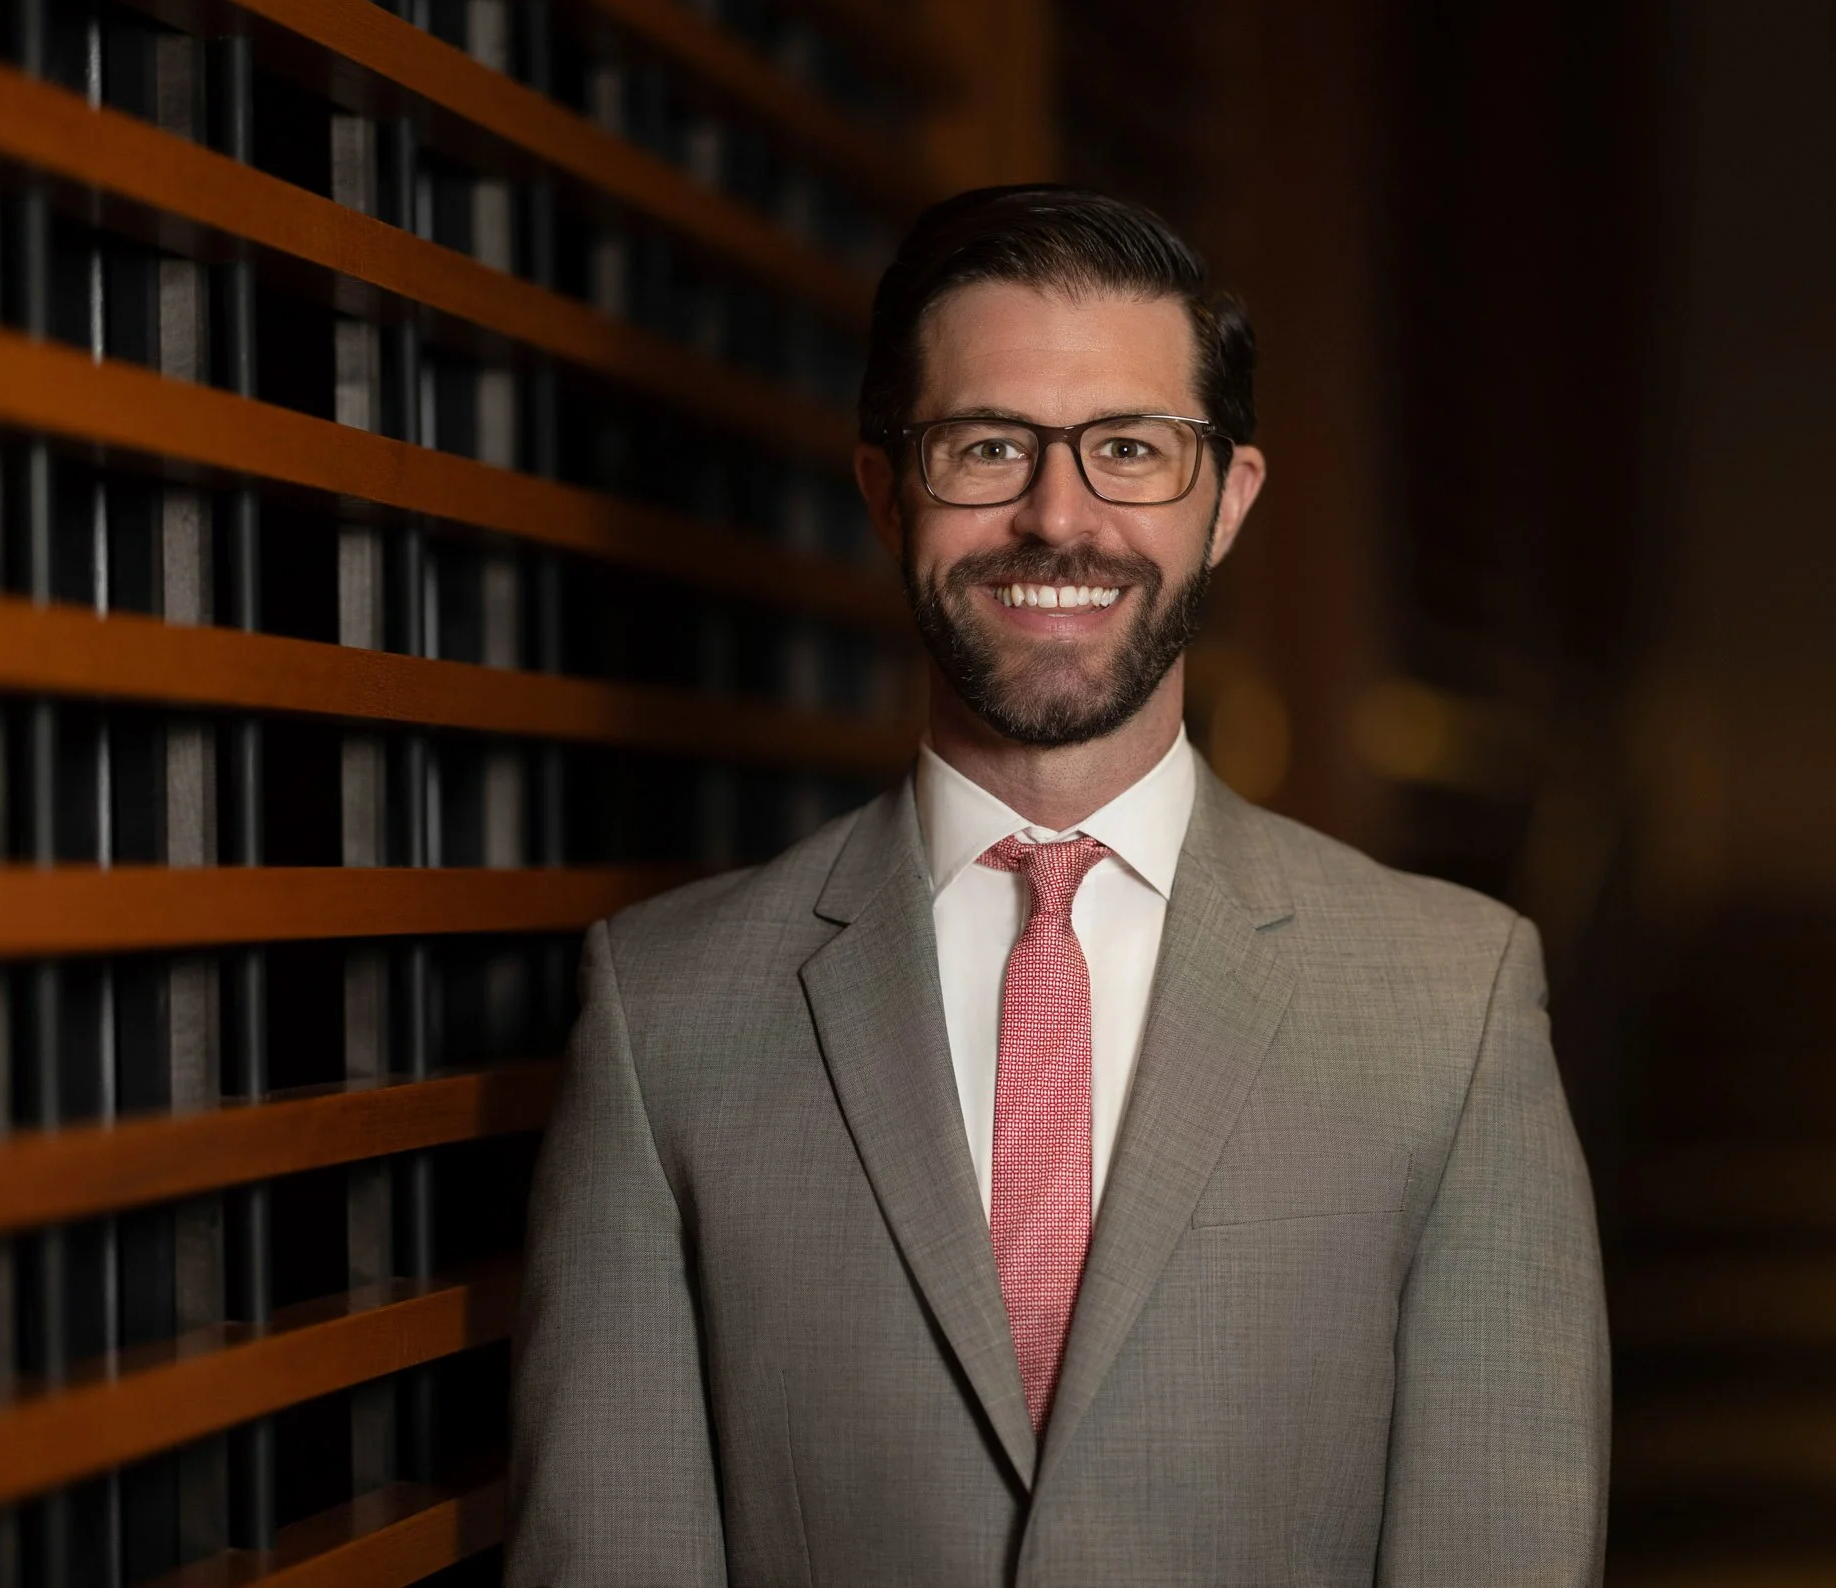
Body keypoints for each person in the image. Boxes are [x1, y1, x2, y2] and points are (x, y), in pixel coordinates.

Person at [505, 185, 1608, 1585]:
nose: (1056, 517)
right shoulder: (660, 1011)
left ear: (1227, 503)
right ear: (884, 488)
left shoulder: (1457, 1002)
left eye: (1131, 450)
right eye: (986, 447)